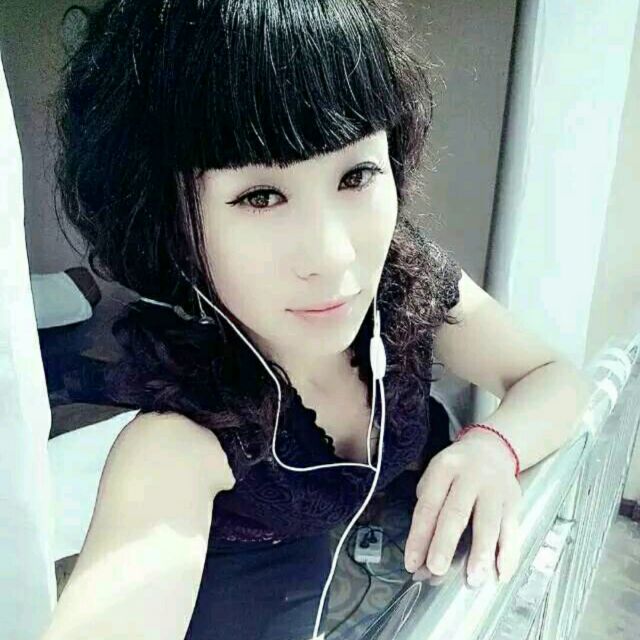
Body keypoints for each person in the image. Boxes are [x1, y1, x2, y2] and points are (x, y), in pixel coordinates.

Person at [44, 1, 592, 639]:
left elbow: (553, 376)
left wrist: (494, 447)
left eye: (356, 174)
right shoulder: (176, 440)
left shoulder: (403, 284)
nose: (334, 256)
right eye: (260, 196)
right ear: (170, 218)